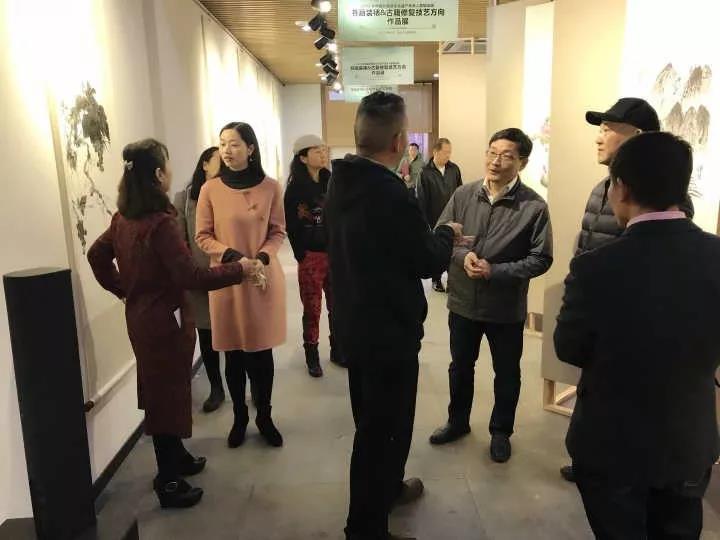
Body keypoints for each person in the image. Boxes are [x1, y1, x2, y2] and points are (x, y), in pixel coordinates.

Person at [554, 132, 719, 539]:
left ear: (621, 188)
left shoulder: (595, 267)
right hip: (688, 441)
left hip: (612, 444)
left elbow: (569, 347)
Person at [87, 139, 262, 509]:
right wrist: (240, 269)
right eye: (166, 165)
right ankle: (167, 480)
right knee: (165, 398)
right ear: (157, 174)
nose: (170, 171)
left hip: (143, 319)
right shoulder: (160, 224)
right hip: (165, 323)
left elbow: (96, 255)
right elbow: (190, 276)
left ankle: (177, 456)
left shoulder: (124, 218)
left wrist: (126, 290)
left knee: (166, 390)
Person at [326, 91, 463, 540]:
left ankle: (388, 488)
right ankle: (365, 528)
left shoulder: (341, 181)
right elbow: (426, 259)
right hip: (387, 331)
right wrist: (447, 233)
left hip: (355, 323)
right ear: (400, 141)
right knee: (381, 431)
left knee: (377, 421)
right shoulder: (388, 193)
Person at [559, 97, 695, 483]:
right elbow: (587, 249)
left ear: (637, 137)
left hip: (633, 325)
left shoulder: (668, 202)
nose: (598, 137)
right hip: (596, 317)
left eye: (608, 129)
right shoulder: (600, 187)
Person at [429, 128, 553, 464]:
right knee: (460, 366)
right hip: (463, 301)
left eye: (506, 155)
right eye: (492, 152)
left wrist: (494, 271)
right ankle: (457, 422)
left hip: (505, 307)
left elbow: (541, 258)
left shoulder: (534, 207)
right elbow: (443, 236)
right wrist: (462, 257)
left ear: (522, 162)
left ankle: (501, 432)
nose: (495, 161)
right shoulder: (463, 195)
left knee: (507, 372)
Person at [195, 122, 287, 449]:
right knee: (233, 354)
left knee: (261, 354)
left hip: (261, 279)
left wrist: (261, 257)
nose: (226, 150)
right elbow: (203, 236)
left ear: (250, 148)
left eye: (234, 144)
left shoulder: (271, 187)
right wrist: (233, 258)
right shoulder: (210, 190)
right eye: (222, 144)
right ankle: (239, 417)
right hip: (227, 280)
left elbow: (278, 231)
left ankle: (265, 416)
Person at [284, 134, 343, 377]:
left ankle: (338, 349)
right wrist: (301, 254)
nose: (323, 154)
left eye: (323, 149)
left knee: (337, 305)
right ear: (303, 157)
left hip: (334, 254)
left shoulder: (331, 181)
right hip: (310, 255)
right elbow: (291, 225)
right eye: (316, 150)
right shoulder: (295, 189)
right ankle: (312, 354)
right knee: (312, 308)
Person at [173, 146, 226, 413]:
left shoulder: (229, 192)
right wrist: (189, 270)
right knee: (206, 334)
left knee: (235, 333)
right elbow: (179, 237)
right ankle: (216, 388)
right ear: (205, 164)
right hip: (200, 277)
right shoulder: (185, 197)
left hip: (228, 274)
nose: (225, 163)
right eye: (219, 159)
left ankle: (244, 384)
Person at [416, 138, 462, 292]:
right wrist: (425, 223)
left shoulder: (454, 169)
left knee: (453, 249)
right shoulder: (425, 172)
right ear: (435, 152)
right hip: (434, 217)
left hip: (452, 217)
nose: (448, 155)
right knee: (437, 249)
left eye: (450, 152)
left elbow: (460, 192)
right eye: (445, 152)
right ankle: (436, 279)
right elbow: (421, 200)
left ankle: (452, 280)